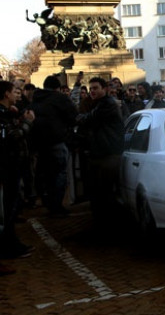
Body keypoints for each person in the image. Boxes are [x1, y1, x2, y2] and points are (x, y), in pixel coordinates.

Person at [76, 77, 124, 224]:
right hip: (99, 153)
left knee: (105, 193)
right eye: (91, 89)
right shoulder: (98, 104)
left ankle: (108, 224)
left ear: (105, 89)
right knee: (98, 193)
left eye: (96, 88)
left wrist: (82, 117)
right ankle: (103, 223)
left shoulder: (107, 104)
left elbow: (87, 119)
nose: (92, 91)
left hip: (108, 154)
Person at [30, 75, 78, 217]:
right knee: (59, 175)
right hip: (57, 140)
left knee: (45, 174)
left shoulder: (36, 98)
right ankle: (56, 206)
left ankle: (47, 202)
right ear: (57, 88)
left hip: (40, 143)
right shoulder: (59, 98)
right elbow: (73, 116)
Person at [0, 81, 36, 259]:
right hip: (6, 168)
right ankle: (9, 246)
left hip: (12, 166)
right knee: (7, 210)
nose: (18, 94)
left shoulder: (7, 112)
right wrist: (27, 123)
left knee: (11, 209)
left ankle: (12, 243)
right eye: (15, 91)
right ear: (6, 94)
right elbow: (13, 136)